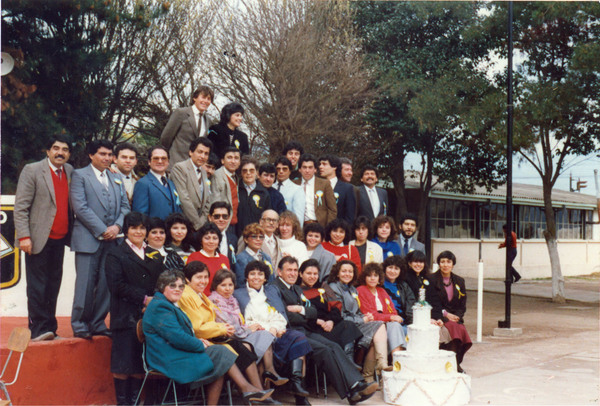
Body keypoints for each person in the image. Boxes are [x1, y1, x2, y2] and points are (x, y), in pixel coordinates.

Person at [143, 269, 274, 406]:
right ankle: (246, 389)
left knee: (220, 358)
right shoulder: (161, 306)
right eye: (173, 286)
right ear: (163, 287)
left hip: (176, 352)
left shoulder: (166, 304)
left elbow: (178, 334)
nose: (178, 289)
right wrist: (200, 344)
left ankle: (246, 390)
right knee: (220, 353)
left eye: (181, 286)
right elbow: (178, 338)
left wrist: (198, 340)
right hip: (168, 358)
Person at [271, 257, 379, 404]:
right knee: (324, 349)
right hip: (290, 334)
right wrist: (306, 315)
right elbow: (286, 316)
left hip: (304, 330)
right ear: (279, 271)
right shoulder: (275, 287)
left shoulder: (295, 288)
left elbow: (313, 311)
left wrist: (301, 309)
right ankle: (351, 391)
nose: (292, 273)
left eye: (295, 270)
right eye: (289, 270)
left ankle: (356, 385)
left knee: (333, 345)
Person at [179, 262, 275, 399]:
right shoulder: (187, 296)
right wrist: (222, 328)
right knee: (233, 350)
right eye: (198, 277)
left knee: (242, 349)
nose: (203, 281)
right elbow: (197, 327)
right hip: (200, 341)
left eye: (205, 277)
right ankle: (252, 392)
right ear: (188, 279)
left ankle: (258, 393)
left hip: (213, 337)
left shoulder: (200, 295)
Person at [14, 135, 73, 341]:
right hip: (37, 238)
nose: (60, 152)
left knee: (53, 284)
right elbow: (20, 207)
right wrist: (24, 236)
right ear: (48, 151)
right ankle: (38, 329)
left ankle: (50, 328)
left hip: (60, 238)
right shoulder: (32, 170)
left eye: (65, 149)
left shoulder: (70, 171)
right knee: (38, 286)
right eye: (56, 148)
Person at [70, 139, 130, 338]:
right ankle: (79, 325)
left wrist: (117, 226)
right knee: (85, 284)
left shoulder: (116, 177)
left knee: (106, 283)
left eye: (109, 154)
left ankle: (97, 323)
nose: (107, 158)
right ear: (91, 155)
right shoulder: (79, 175)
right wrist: (103, 229)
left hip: (113, 239)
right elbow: (80, 207)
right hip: (89, 238)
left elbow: (125, 207)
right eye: (102, 154)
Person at [104, 212, 165, 405]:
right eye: (134, 228)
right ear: (127, 230)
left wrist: (154, 301)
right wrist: (144, 299)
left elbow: (162, 282)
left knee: (139, 364)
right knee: (123, 365)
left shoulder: (153, 253)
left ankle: (136, 401)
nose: (138, 232)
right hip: (125, 315)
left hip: (148, 315)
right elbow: (116, 285)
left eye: (142, 228)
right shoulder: (115, 253)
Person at [234, 260, 313, 404]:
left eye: (260, 274)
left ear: (265, 278)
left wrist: (276, 328)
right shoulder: (239, 294)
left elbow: (279, 315)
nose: (256, 277)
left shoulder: (270, 291)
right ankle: (266, 396)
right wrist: (266, 328)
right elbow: (243, 320)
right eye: (252, 274)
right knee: (264, 344)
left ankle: (297, 387)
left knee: (299, 337)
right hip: (254, 334)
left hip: (276, 332)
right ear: (246, 277)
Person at [208, 269, 288, 387]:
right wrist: (249, 329)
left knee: (265, 334)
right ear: (215, 286)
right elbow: (231, 328)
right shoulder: (214, 301)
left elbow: (240, 323)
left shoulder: (233, 300)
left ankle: (269, 372)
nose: (227, 288)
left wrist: (251, 327)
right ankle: (263, 390)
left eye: (230, 285)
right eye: (223, 285)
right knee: (258, 349)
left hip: (240, 334)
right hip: (227, 339)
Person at [327, 261, 390, 383]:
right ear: (338, 273)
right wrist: (362, 319)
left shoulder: (352, 289)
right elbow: (340, 315)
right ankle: (371, 372)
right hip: (343, 327)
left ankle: (379, 366)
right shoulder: (334, 288)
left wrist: (366, 316)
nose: (347, 274)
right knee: (376, 329)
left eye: (350, 271)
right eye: (344, 271)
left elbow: (356, 311)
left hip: (355, 324)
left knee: (378, 326)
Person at [297, 259, 363, 367]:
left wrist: (331, 321)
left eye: (315, 274)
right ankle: (347, 365)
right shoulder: (297, 290)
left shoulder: (323, 287)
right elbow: (301, 315)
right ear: (300, 273)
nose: (312, 276)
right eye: (309, 273)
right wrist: (318, 321)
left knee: (348, 325)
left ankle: (349, 361)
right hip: (312, 330)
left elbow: (336, 307)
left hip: (328, 327)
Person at [429, 251, 472, 373]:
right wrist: (446, 315)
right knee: (455, 330)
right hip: (439, 316)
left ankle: (454, 363)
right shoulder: (431, 279)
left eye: (448, 261)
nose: (445, 264)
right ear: (438, 264)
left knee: (458, 329)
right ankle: (452, 364)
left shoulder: (459, 281)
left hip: (455, 318)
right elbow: (432, 302)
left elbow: (462, 304)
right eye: (442, 261)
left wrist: (457, 316)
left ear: (453, 264)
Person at [356, 263, 407, 353]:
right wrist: (390, 317)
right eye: (369, 275)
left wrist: (391, 317)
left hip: (386, 324)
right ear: (364, 277)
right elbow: (370, 314)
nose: (372, 278)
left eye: (375, 275)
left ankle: (396, 356)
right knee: (395, 326)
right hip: (370, 324)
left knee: (397, 326)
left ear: (379, 278)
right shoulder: (361, 290)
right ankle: (397, 357)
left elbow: (393, 311)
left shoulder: (381, 290)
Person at [160, 85, 215, 167]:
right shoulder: (181, 113)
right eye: (203, 97)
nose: (206, 101)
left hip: (195, 168)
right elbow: (165, 138)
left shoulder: (208, 121)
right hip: (176, 164)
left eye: (209, 99)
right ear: (195, 98)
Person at [170, 137, 214, 232]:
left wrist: (202, 221)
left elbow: (207, 200)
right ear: (191, 152)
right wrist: (197, 224)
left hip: (199, 225)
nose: (202, 156)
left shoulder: (203, 172)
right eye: (200, 152)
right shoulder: (180, 168)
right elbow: (184, 198)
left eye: (206, 154)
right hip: (183, 223)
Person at [132, 146, 181, 220]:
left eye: (163, 158)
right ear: (149, 162)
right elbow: (140, 215)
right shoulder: (142, 184)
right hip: (154, 230)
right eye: (156, 158)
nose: (160, 161)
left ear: (168, 162)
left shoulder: (171, 183)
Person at [186, 222, 231, 295]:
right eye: (207, 238)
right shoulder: (194, 257)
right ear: (201, 240)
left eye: (215, 238)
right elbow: (191, 284)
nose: (211, 241)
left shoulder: (224, 259)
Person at [294, 153, 337, 227]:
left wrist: (328, 229)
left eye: (310, 167)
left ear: (315, 169)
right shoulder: (294, 184)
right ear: (299, 169)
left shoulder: (324, 184)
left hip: (320, 226)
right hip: (300, 227)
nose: (307, 171)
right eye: (304, 167)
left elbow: (332, 210)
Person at [237, 157, 271, 236]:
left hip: (257, 236)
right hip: (239, 235)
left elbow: (267, 217)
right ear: (241, 173)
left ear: (257, 173)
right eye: (245, 171)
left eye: (251, 170)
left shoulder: (263, 193)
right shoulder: (236, 190)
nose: (248, 173)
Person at [318, 154, 356, 225]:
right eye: (320, 164)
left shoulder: (347, 188)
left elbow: (349, 216)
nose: (320, 167)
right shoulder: (317, 186)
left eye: (324, 164)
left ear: (334, 167)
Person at [234, 223, 275, 288]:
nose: (258, 239)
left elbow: (272, 280)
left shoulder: (267, 257)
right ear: (246, 239)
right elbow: (241, 283)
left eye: (261, 237)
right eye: (254, 236)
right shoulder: (240, 259)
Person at [211, 147, 242, 231]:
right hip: (222, 224)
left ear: (239, 162)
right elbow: (215, 202)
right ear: (222, 161)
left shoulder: (236, 177)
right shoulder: (217, 176)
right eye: (229, 157)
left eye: (236, 158)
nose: (233, 161)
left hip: (234, 223)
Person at [381, 255, 415, 325]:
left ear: (400, 271)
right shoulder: (379, 284)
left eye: (396, 268)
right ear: (385, 268)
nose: (393, 271)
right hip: (386, 321)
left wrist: (411, 324)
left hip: (403, 321)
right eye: (390, 267)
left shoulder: (404, 286)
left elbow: (410, 308)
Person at [274, 157, 305, 226]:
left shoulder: (297, 189)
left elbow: (298, 216)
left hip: (287, 229)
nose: (281, 171)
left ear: (290, 171)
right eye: (278, 169)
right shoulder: (270, 187)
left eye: (284, 169)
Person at [208, 202, 238, 266]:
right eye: (217, 216)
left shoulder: (233, 239)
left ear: (229, 218)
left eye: (225, 216)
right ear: (210, 218)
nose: (221, 219)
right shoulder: (201, 237)